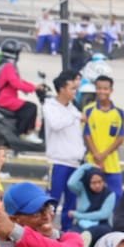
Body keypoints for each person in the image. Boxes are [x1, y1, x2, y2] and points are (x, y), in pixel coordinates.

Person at [43, 73, 86, 230]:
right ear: (61, 89)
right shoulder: (50, 106)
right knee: (52, 199)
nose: (75, 91)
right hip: (58, 161)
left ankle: (66, 231)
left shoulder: (73, 108)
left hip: (74, 162)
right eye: (72, 88)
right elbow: (55, 124)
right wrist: (74, 117)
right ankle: (46, 229)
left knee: (71, 202)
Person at [0, 41, 39, 136]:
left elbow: (19, 81)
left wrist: (34, 87)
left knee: (28, 107)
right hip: (5, 99)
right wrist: (32, 89)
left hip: (8, 98)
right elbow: (16, 83)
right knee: (31, 108)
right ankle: (21, 134)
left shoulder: (6, 64)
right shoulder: (8, 66)